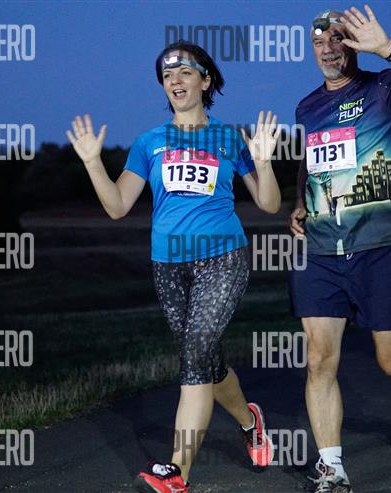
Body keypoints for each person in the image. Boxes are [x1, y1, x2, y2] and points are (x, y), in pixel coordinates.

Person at [65, 41, 282, 493]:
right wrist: (92, 164)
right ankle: (250, 422)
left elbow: (268, 204)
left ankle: (177, 472)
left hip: (223, 258)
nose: (175, 81)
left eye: (184, 72)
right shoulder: (149, 143)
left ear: (205, 80)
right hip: (168, 266)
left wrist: (263, 162)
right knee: (207, 361)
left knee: (194, 357)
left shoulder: (229, 138)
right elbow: (117, 206)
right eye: (167, 76)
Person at [288, 6, 391, 492]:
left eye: (338, 39)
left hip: (380, 247)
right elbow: (310, 162)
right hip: (320, 250)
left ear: (355, 44)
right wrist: (299, 202)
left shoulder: (385, 88)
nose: (328, 49)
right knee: (319, 359)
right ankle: (332, 469)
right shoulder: (306, 107)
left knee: (390, 362)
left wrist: (389, 49)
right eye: (319, 42)